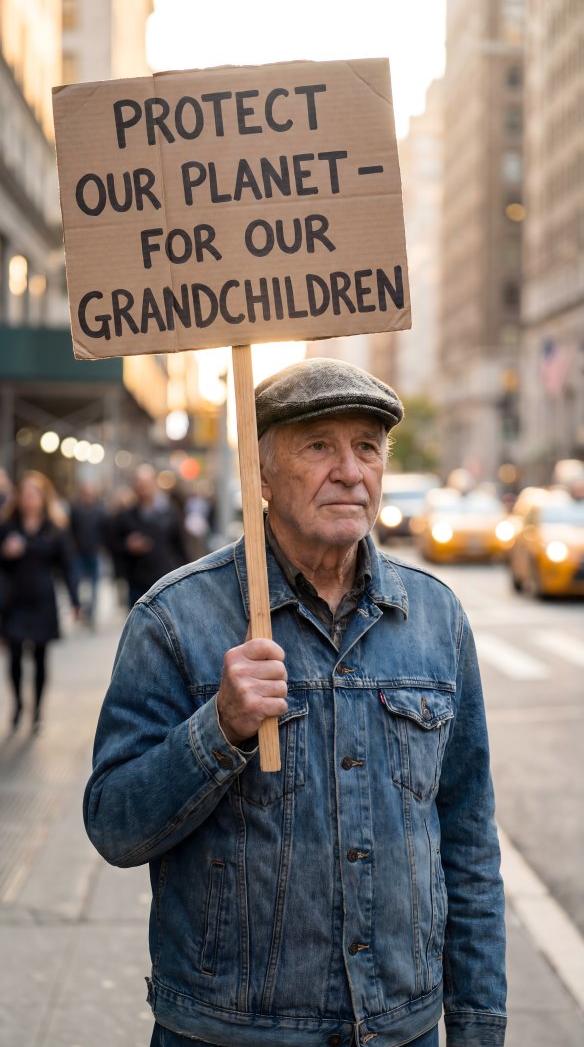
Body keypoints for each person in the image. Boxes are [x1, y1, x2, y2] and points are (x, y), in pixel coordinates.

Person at [84, 358, 506, 1047]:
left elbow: (467, 840)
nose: (350, 469)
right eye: (318, 445)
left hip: (401, 1029)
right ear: (262, 475)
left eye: (366, 446)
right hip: (228, 1033)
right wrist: (219, 727)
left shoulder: (436, 617)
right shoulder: (175, 618)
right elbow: (114, 824)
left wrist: (480, 1026)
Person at [0, 471, 80, 732]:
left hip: (42, 599)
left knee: (40, 656)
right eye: (25, 494)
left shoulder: (54, 528)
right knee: (15, 655)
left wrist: (75, 601)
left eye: (34, 494)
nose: (29, 499)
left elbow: (67, 565)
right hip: (14, 599)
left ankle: (38, 710)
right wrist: (6, 554)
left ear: (43, 498)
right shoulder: (7, 526)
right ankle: (18, 703)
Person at [113, 464, 189, 608]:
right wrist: (128, 546)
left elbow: (181, 546)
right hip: (137, 581)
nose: (143, 489)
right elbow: (114, 544)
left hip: (164, 580)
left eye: (146, 484)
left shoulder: (169, 513)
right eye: (140, 484)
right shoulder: (126, 516)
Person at [69, 481, 106, 627]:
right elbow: (71, 530)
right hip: (79, 552)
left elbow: (104, 530)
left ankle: (91, 612)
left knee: (94, 585)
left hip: (94, 553)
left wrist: (101, 545)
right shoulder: (76, 510)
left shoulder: (99, 511)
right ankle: (81, 609)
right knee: (78, 583)